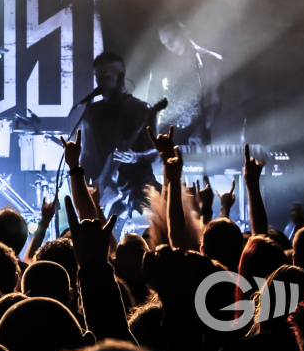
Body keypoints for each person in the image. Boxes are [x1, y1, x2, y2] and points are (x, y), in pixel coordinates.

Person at [73, 52, 163, 217]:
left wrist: (135, 157)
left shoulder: (140, 109)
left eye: (105, 75)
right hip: (105, 189)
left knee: (150, 211)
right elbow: (86, 154)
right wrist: (84, 187)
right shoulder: (92, 112)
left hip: (138, 186)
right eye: (97, 76)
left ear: (120, 76)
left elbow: (157, 153)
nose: (100, 80)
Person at [156, 21, 222, 147]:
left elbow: (215, 102)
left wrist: (200, 130)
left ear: (184, 32)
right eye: (164, 43)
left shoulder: (209, 60)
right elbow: (152, 101)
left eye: (171, 40)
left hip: (195, 134)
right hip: (164, 134)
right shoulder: (163, 64)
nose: (169, 46)